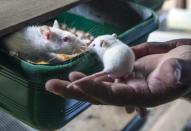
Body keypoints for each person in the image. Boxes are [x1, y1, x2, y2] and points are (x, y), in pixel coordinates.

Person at [45, 39, 191, 117]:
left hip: (121, 67)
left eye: (94, 45)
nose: (91, 46)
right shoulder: (118, 46)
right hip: (128, 68)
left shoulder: (109, 48)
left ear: (103, 44)